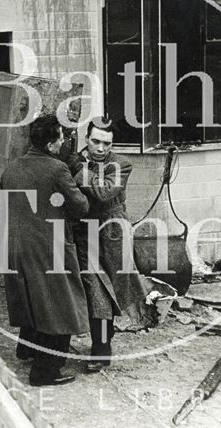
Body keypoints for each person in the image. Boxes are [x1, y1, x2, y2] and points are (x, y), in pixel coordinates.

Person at [0, 114, 90, 387]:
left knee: (30, 298)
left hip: (16, 247)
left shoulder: (11, 169)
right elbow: (81, 207)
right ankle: (45, 371)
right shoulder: (58, 169)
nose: (64, 142)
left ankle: (27, 349)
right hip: (48, 247)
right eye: (62, 138)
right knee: (60, 308)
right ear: (53, 144)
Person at [69, 117, 148, 373]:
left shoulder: (121, 164)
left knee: (116, 286)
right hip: (84, 230)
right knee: (95, 289)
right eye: (95, 141)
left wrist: (77, 169)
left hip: (113, 230)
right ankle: (101, 349)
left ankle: (106, 336)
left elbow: (104, 193)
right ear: (86, 139)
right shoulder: (73, 160)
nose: (101, 148)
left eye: (106, 143)